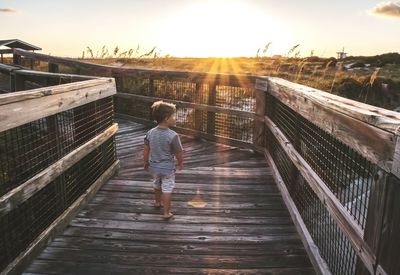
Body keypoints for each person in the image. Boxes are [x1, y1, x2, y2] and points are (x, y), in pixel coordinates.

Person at [143, 101, 183, 220]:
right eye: (174, 116)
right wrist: (180, 162)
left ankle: (157, 202)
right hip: (167, 168)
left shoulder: (150, 133)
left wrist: (145, 162)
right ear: (166, 119)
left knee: (157, 183)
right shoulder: (173, 135)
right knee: (167, 188)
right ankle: (166, 212)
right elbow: (178, 152)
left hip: (154, 167)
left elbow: (146, 150)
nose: (175, 118)